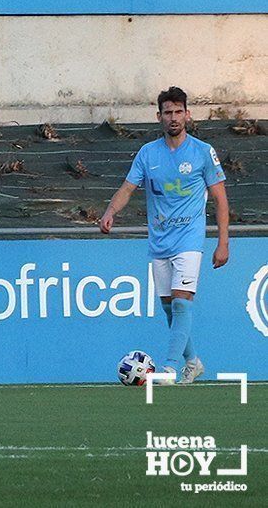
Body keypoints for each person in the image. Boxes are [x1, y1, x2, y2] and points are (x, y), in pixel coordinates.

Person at [100, 86, 229, 385]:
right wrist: (110, 212)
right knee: (171, 309)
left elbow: (221, 199)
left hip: (190, 239)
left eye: (178, 112)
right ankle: (192, 361)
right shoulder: (148, 154)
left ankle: (170, 368)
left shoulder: (202, 152)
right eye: (168, 112)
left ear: (187, 114)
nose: (174, 117)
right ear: (159, 116)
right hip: (160, 241)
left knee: (183, 303)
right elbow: (128, 188)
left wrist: (223, 242)